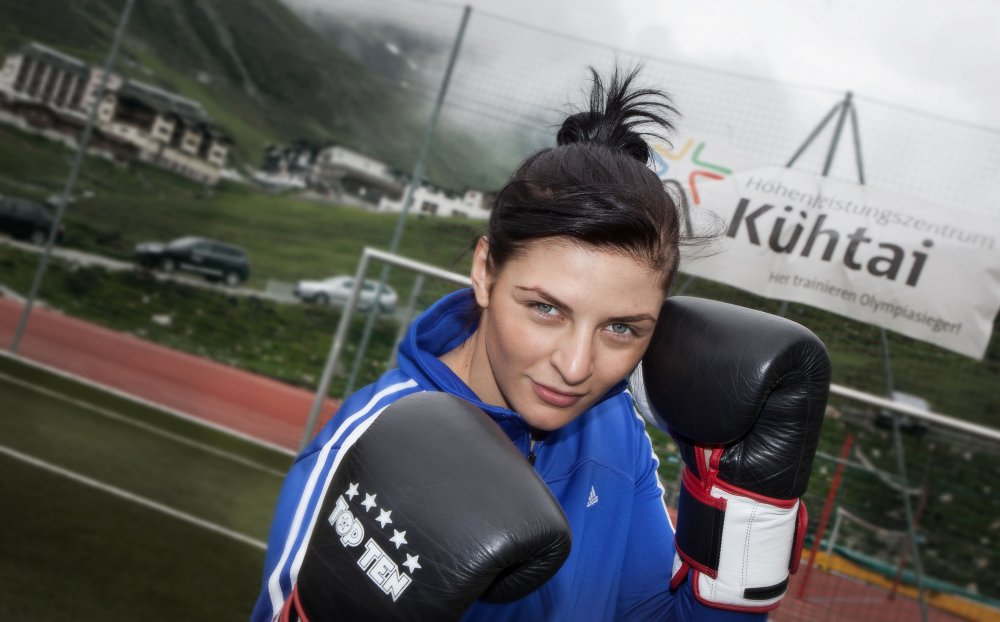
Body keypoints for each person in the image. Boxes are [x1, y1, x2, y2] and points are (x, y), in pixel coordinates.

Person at [251, 66, 767, 621]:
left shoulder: (613, 425)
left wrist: (753, 507)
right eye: (546, 309)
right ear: (485, 271)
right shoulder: (366, 451)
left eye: (621, 328)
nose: (577, 367)